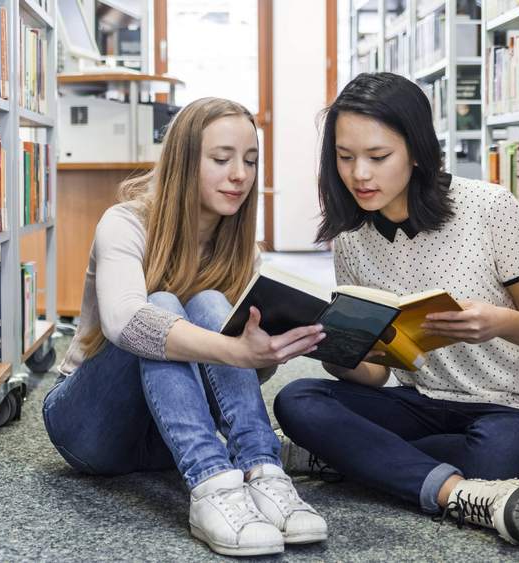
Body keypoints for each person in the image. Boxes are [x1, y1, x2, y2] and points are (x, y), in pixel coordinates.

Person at [274, 73, 519, 546]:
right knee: (297, 400)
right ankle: (457, 492)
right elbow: (375, 376)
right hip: (425, 402)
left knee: (496, 457)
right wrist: (333, 348)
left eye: (377, 157)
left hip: (514, 407)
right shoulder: (352, 240)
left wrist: (501, 322)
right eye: (345, 157)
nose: (359, 175)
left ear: (415, 151)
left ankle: (356, 458)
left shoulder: (489, 208)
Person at [43, 97, 328, 557]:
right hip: (89, 427)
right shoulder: (125, 223)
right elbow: (126, 324)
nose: (240, 174)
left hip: (171, 435)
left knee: (211, 301)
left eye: (250, 160)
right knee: (159, 304)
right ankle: (211, 481)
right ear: (182, 161)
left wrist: (269, 351)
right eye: (221, 159)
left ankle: (262, 469)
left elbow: (236, 381)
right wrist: (233, 350)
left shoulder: (242, 251)